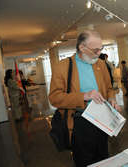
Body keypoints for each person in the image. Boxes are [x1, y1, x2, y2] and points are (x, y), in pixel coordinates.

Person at [49, 30, 120, 167]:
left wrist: (112, 99)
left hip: (102, 119)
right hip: (79, 122)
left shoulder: (100, 64)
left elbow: (109, 89)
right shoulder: (63, 67)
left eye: (101, 49)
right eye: (95, 50)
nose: (99, 53)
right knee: (84, 161)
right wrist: (84, 96)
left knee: (103, 158)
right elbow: (54, 98)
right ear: (82, 47)